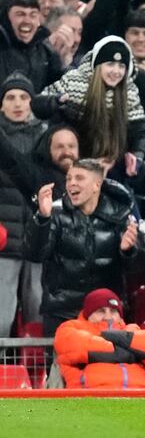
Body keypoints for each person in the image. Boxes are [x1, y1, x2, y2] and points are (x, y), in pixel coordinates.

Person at [24, 159, 138, 336]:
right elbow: (34, 254)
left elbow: (137, 268)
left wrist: (127, 252)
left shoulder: (120, 215)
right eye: (69, 179)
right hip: (62, 314)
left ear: (96, 185)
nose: (72, 183)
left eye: (79, 178)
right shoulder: (55, 214)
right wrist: (42, 219)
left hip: (105, 314)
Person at [38, 36, 145, 167]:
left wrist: (137, 156)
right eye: (110, 64)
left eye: (121, 66)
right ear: (97, 65)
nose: (116, 71)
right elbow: (39, 105)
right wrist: (55, 102)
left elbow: (140, 131)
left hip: (110, 164)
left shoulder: (129, 92)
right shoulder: (74, 82)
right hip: (70, 160)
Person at [0, 72, 46, 336]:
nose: (17, 103)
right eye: (10, 97)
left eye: (24, 97)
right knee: (1, 317)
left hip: (37, 238)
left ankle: (39, 374)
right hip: (3, 241)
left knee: (37, 312)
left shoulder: (48, 136)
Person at [53, 288, 145, 389]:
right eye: (101, 311)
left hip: (140, 396)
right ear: (88, 314)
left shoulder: (131, 328)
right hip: (91, 398)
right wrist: (130, 353)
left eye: (113, 311)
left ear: (120, 316)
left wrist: (117, 337)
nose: (108, 317)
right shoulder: (72, 327)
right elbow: (75, 347)